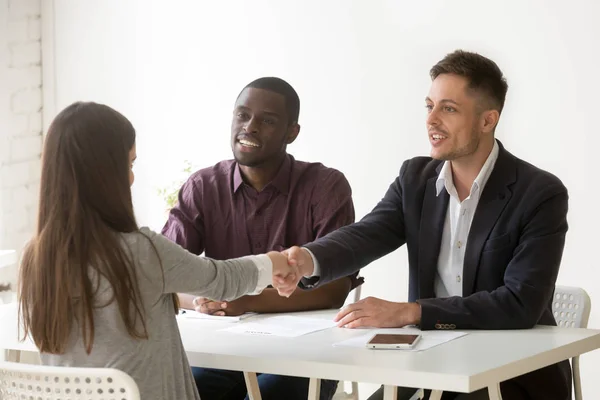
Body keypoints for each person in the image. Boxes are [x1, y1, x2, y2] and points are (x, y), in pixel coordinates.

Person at [283, 50, 572, 400]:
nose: (431, 120)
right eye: (429, 106)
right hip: (430, 363)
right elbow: (366, 235)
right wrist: (306, 260)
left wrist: (410, 312)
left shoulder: (539, 193)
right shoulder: (415, 179)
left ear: (487, 120)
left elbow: (519, 303)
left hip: (511, 374)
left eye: (448, 109)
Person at [18, 101, 296, 400]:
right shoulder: (140, 250)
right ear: (104, 174)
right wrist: (273, 261)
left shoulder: (35, 259)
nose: (132, 177)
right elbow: (222, 280)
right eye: (129, 164)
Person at [161, 77, 362, 400]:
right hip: (223, 353)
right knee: (177, 391)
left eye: (267, 120)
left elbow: (334, 290)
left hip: (304, 357)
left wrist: (241, 300)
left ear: (292, 132)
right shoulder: (203, 186)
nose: (250, 127)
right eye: (242, 115)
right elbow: (164, 274)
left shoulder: (325, 186)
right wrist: (203, 301)